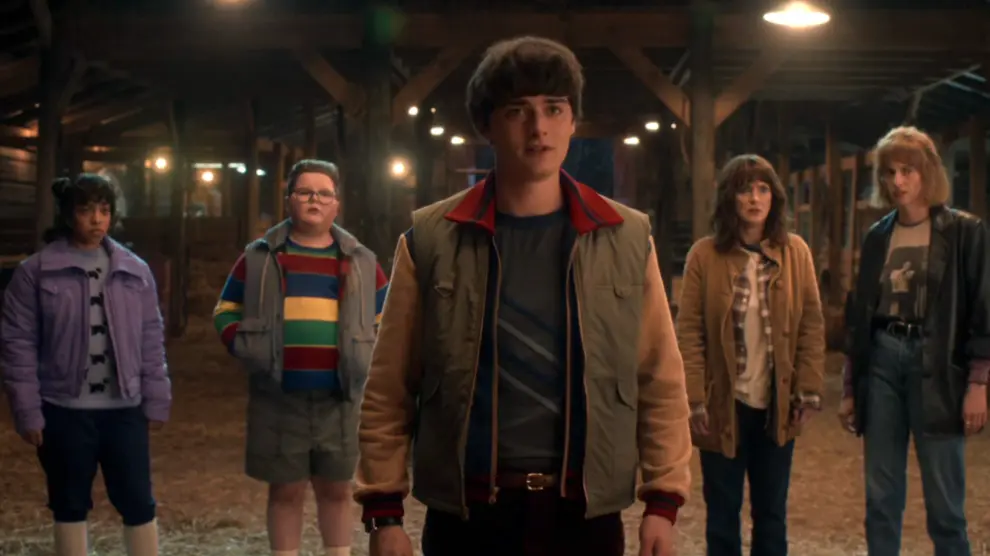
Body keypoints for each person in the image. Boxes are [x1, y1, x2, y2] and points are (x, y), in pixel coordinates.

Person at [352, 36, 692, 556]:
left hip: (583, 515)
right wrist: (384, 511)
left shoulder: (624, 237)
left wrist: (663, 502)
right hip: (469, 517)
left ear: (573, 121)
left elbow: (660, 378)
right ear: (486, 125)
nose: (539, 128)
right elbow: (390, 385)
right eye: (517, 111)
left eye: (554, 109)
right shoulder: (432, 240)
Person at [213, 159, 388, 556]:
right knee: (285, 491)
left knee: (337, 490)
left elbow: (387, 317)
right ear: (289, 199)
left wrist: (369, 356)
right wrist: (247, 347)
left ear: (336, 204)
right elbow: (225, 309)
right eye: (305, 192)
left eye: (324, 193)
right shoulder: (260, 257)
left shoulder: (361, 261)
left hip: (341, 401)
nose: (314, 200)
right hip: (279, 399)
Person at [0, 174, 171, 556]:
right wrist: (27, 410)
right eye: (86, 210)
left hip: (124, 407)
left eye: (104, 210)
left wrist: (157, 396)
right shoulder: (35, 272)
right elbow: (17, 344)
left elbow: (150, 336)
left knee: (137, 500)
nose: (97, 219)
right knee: (69, 502)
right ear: (67, 215)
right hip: (63, 408)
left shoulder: (134, 269)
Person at [839, 126, 989, 556]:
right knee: (880, 498)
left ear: (928, 173)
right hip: (883, 358)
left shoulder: (964, 232)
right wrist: (850, 387)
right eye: (889, 172)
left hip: (938, 363)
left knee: (945, 505)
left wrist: (978, 383)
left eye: (908, 170)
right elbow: (860, 315)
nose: (897, 181)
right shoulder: (877, 236)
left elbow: (983, 310)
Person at [675, 154, 825, 556]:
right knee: (722, 515)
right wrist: (694, 397)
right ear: (730, 197)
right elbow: (689, 332)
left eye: (762, 189)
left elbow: (811, 324)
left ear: (774, 197)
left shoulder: (795, 253)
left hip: (775, 403)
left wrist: (808, 390)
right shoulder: (704, 256)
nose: (755, 199)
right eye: (745, 190)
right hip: (723, 404)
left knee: (771, 515)